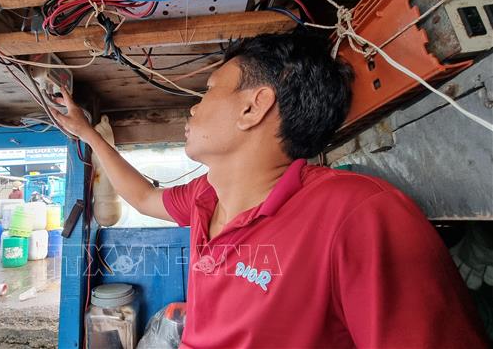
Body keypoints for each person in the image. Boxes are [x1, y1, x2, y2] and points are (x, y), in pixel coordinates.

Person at [49, 31, 487, 348]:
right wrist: (88, 133)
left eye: (208, 91)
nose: (194, 107)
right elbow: (143, 197)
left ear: (252, 106)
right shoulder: (206, 197)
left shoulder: (359, 215)